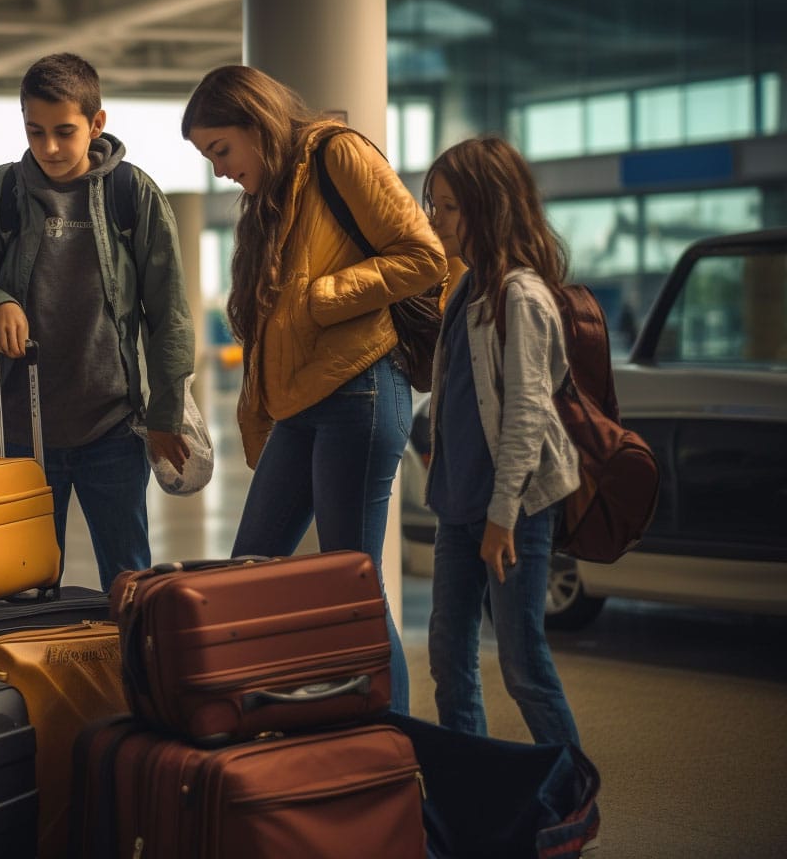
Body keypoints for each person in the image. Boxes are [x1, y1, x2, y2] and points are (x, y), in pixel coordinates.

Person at [182, 65, 446, 715]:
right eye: (209, 157)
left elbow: (424, 255)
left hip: (360, 389)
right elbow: (270, 323)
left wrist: (324, 298)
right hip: (304, 405)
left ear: (257, 122)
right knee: (251, 568)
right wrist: (259, 412)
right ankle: (259, 728)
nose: (219, 170)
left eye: (222, 150)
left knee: (348, 584)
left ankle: (393, 744)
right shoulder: (272, 195)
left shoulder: (337, 153)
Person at [0, 52, 196, 591]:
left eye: (65, 132)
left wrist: (166, 411)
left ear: (97, 124)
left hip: (111, 427)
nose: (49, 148)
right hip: (19, 433)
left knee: (129, 582)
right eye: (35, 131)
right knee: (24, 586)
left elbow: (170, 316)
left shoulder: (133, 195)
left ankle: (134, 675)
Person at [422, 136, 582, 747]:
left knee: (522, 664)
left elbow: (526, 418)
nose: (435, 219)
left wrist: (502, 516)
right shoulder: (467, 288)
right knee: (448, 658)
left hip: (509, 513)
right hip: (457, 506)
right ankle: (474, 784)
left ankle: (572, 799)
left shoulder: (522, 295)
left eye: (448, 207)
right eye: (433, 204)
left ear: (487, 207)